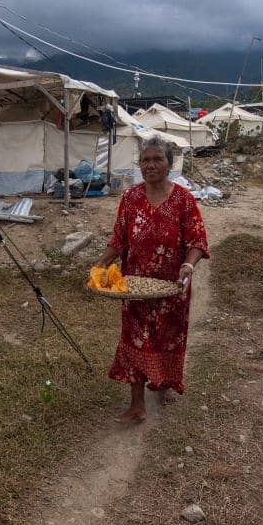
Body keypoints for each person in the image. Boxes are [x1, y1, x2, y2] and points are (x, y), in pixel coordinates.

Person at [94, 135, 209, 423]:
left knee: (167, 337)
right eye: (145, 159)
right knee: (134, 338)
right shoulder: (131, 198)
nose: (151, 164)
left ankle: (164, 382)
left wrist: (188, 264)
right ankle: (137, 405)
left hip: (172, 287)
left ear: (170, 164)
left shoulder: (184, 199)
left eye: (158, 159)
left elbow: (197, 240)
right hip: (135, 286)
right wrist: (99, 265)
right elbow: (118, 240)